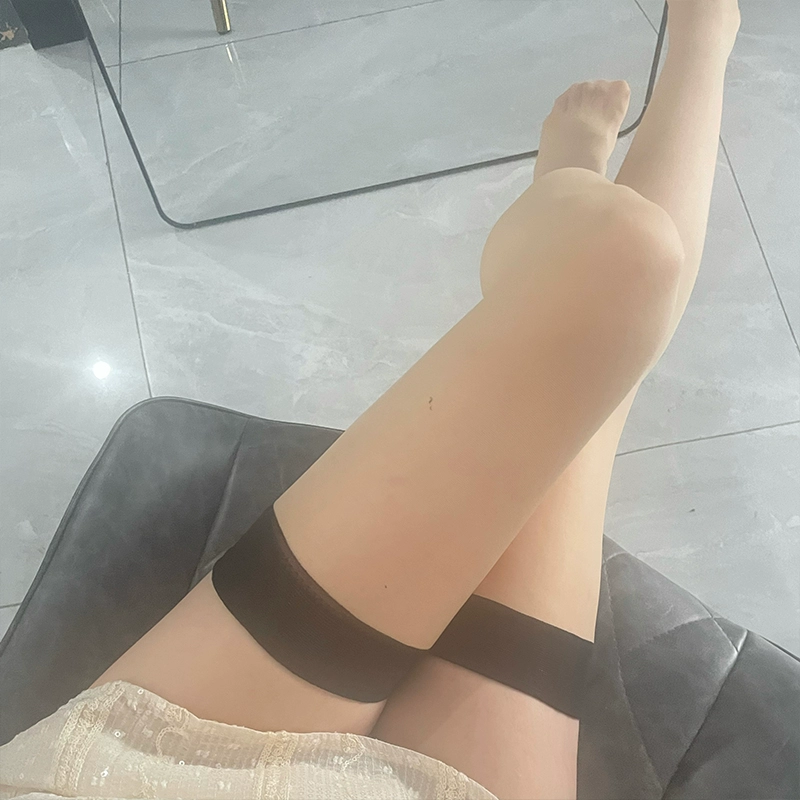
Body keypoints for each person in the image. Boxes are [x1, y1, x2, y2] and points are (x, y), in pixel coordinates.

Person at [0, 1, 741, 798]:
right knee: (609, 312)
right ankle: (674, 73)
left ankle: (633, 121)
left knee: (616, 272)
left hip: (178, 773)